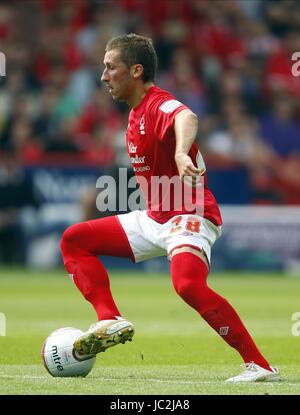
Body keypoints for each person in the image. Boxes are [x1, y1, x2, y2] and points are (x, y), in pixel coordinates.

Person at [60, 34, 280, 382]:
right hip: (155, 218)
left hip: (189, 214)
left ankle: (260, 365)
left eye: (109, 67)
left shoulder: (158, 104)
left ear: (136, 70)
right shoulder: (133, 116)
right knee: (74, 240)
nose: (103, 76)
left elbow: (186, 115)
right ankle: (109, 319)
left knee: (187, 285)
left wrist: (181, 152)